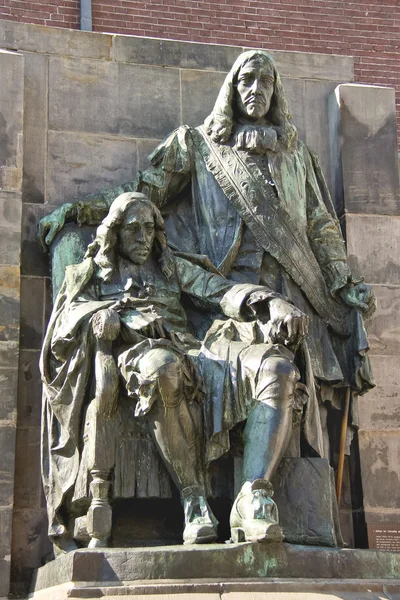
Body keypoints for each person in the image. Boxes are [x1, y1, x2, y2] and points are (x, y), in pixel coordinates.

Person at [39, 51, 375, 538]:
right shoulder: (198, 146)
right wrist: (80, 211)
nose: (255, 88)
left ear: (276, 90)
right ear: (232, 88)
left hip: (287, 295)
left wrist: (342, 281)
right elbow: (142, 191)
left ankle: (258, 499)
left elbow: (321, 226)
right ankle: (211, 501)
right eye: (246, 78)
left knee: (284, 375)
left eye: (265, 79)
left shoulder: (295, 154)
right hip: (222, 303)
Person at [41, 191, 310, 551]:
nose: (143, 238)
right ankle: (193, 499)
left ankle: (252, 496)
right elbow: (64, 325)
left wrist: (270, 301)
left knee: (277, 368)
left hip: (196, 350)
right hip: (137, 355)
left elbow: (220, 291)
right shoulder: (90, 273)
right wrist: (120, 316)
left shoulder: (169, 266)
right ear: (115, 232)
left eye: (149, 228)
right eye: (133, 229)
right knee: (161, 368)